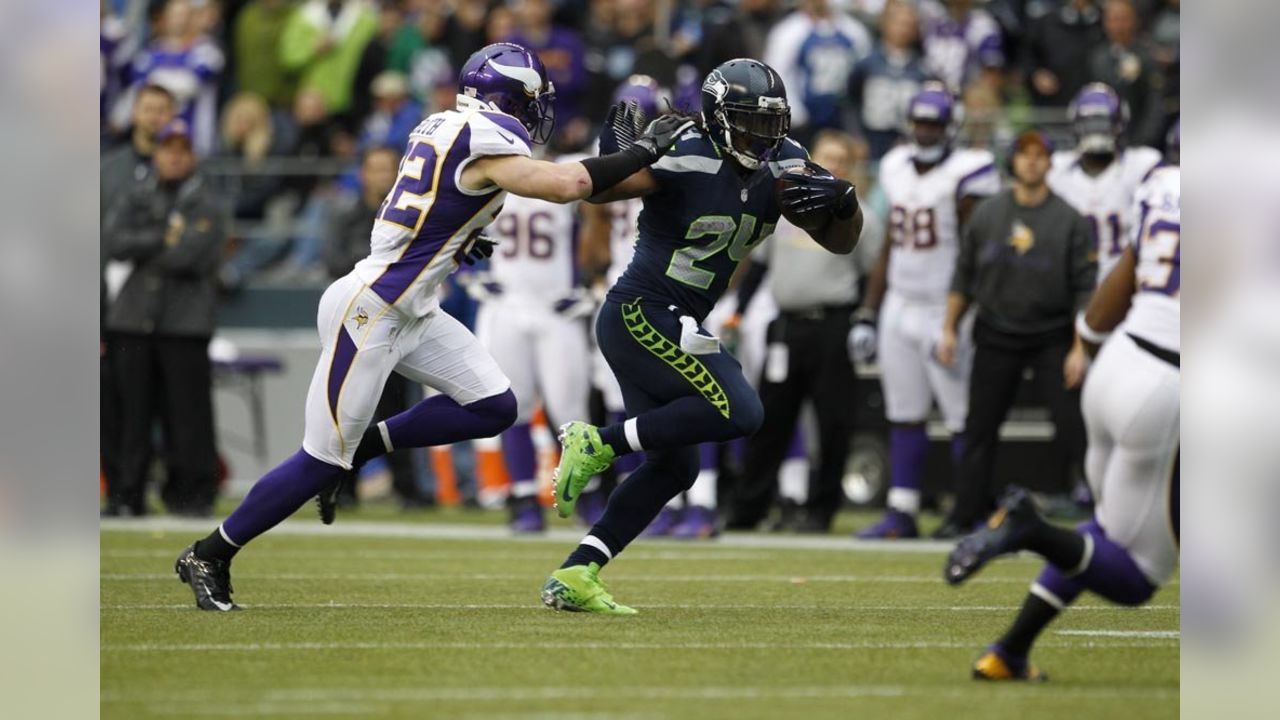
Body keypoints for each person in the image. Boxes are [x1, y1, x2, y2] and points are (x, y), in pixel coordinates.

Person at [174, 42, 694, 611]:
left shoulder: (442, 123)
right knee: (321, 458)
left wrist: (458, 238)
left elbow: (435, 202)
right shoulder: (489, 136)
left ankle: (369, 444)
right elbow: (566, 186)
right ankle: (211, 552)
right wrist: (643, 150)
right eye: (533, 97)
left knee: (495, 406)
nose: (538, 109)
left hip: (412, 306)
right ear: (511, 95)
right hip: (372, 308)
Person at [541, 58, 864, 614]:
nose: (763, 137)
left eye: (771, 124)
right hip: (641, 311)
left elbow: (841, 243)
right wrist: (641, 150)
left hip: (680, 317)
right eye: (749, 123)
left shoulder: (785, 161)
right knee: (744, 412)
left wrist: (846, 202)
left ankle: (576, 573)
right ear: (717, 118)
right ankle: (597, 442)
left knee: (675, 466)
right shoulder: (686, 149)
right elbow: (595, 192)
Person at [945, 129, 1179, 680]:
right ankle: (1029, 526)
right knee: (1138, 574)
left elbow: (1121, 280)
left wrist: (1088, 346)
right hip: (1170, 382)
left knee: (1105, 532)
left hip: (1118, 358)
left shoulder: (1163, 183)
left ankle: (1009, 652)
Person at [853, 83, 999, 539]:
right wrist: (869, 310)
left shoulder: (969, 172)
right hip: (900, 300)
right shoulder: (895, 165)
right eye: (920, 122)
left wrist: (959, 315)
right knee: (904, 411)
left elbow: (977, 251)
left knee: (960, 416)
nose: (925, 131)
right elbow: (889, 247)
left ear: (950, 127)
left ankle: (973, 510)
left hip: (945, 305)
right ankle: (902, 510)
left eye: (934, 124)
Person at [936, 129, 1096, 538]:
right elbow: (964, 275)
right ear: (1013, 161)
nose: (1031, 161)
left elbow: (1084, 289)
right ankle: (965, 514)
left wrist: (1080, 348)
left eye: (1039, 155)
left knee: (1075, 425)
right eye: (1024, 154)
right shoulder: (988, 214)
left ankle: (1104, 513)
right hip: (995, 330)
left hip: (1052, 334)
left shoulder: (1070, 219)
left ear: (1049, 163)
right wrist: (949, 328)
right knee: (979, 427)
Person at [727, 130, 884, 534]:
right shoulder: (786, 206)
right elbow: (759, 265)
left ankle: (821, 509)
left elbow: (874, 273)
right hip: (787, 323)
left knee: (833, 423)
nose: (835, 166)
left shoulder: (859, 214)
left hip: (834, 323)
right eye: (828, 157)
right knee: (769, 420)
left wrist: (867, 317)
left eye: (842, 160)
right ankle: (749, 508)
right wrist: (740, 311)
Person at [103, 120, 227, 517]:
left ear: (192, 156)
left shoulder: (206, 200)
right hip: (134, 317)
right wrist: (164, 236)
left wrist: (147, 245)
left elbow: (192, 255)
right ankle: (126, 494)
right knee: (129, 413)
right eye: (167, 149)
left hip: (184, 321)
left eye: (181, 149)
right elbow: (112, 241)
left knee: (187, 413)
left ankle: (192, 494)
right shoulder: (136, 194)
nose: (174, 156)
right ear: (156, 153)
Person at [469, 149, 595, 533]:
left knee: (570, 410)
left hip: (556, 308)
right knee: (512, 406)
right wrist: (470, 265)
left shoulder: (568, 171)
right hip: (506, 304)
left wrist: (586, 280)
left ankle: (585, 496)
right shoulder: (488, 171)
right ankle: (523, 498)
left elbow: (598, 221)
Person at [321, 145, 433, 513]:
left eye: (388, 169)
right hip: (355, 319)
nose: (382, 176)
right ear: (363, 174)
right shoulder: (345, 214)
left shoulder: (412, 215)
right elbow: (333, 260)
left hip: (395, 323)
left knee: (396, 407)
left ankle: (408, 488)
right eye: (375, 169)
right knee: (348, 407)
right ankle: (340, 484)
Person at [1048, 83, 1162, 283]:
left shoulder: (1141, 166)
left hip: (1125, 281)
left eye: (1102, 123)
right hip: (1072, 279)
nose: (1097, 132)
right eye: (1091, 123)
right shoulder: (1058, 170)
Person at [120, 0, 226, 155]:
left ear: (195, 18)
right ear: (165, 18)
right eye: (176, 15)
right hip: (155, 146)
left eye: (186, 15)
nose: (181, 20)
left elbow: (190, 84)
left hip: (197, 144)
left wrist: (155, 79)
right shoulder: (149, 54)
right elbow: (138, 90)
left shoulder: (208, 51)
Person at [764, 0, 873, 142]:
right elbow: (777, 74)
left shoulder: (853, 30)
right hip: (806, 119)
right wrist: (796, 114)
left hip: (844, 115)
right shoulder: (788, 31)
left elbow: (866, 71)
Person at [846, 0, 930, 160]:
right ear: (884, 24)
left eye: (908, 24)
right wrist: (856, 136)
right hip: (872, 139)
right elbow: (850, 101)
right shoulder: (866, 64)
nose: (903, 29)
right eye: (898, 23)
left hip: (907, 142)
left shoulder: (923, 69)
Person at [1022, 0, 1106, 108]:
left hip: (1097, 103)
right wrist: (1036, 74)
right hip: (1055, 102)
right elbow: (1027, 55)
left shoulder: (1106, 19)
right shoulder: (1047, 21)